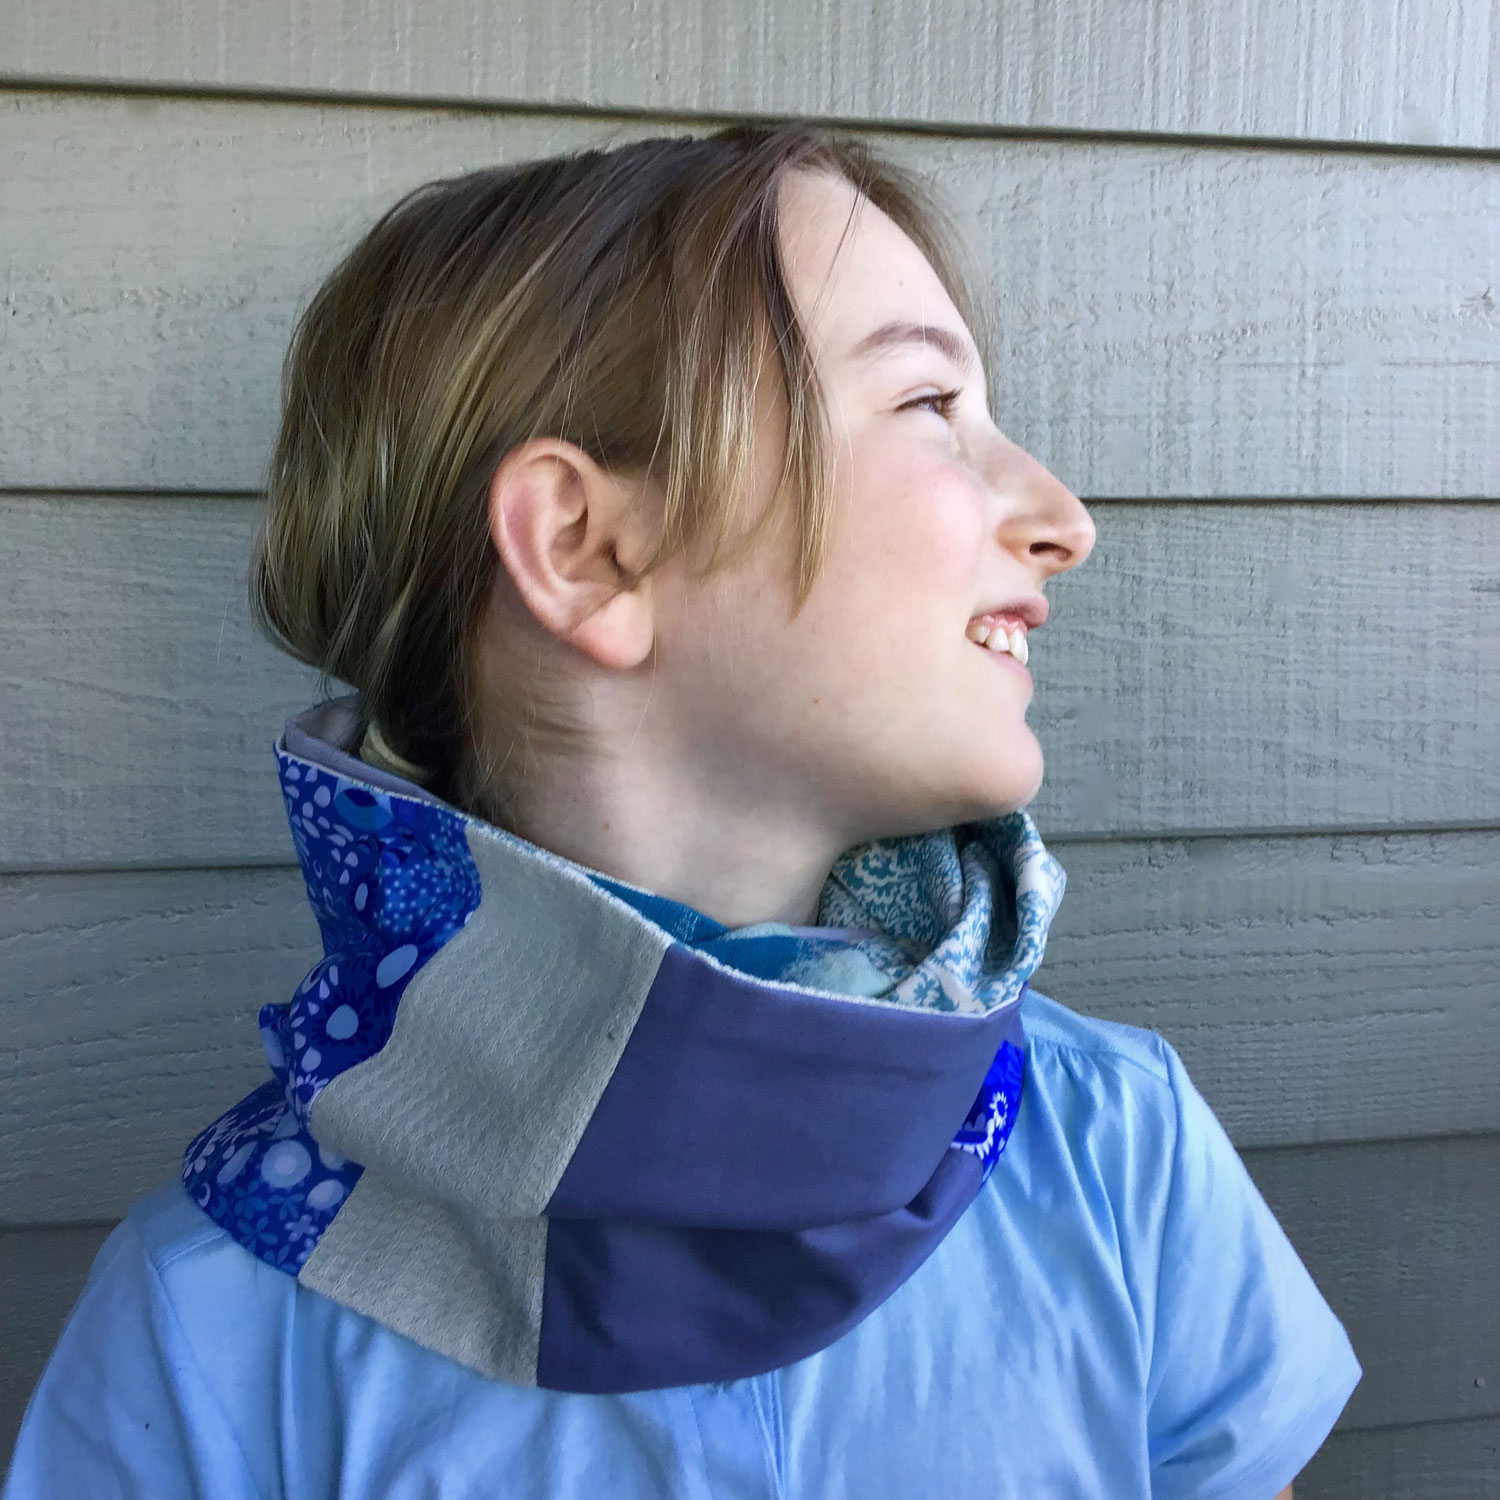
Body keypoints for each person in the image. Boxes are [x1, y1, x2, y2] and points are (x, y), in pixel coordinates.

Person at [3, 122, 1359, 1499]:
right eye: (929, 403)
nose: (1063, 516)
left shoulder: (1124, 1157)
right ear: (587, 550)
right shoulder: (214, 1335)